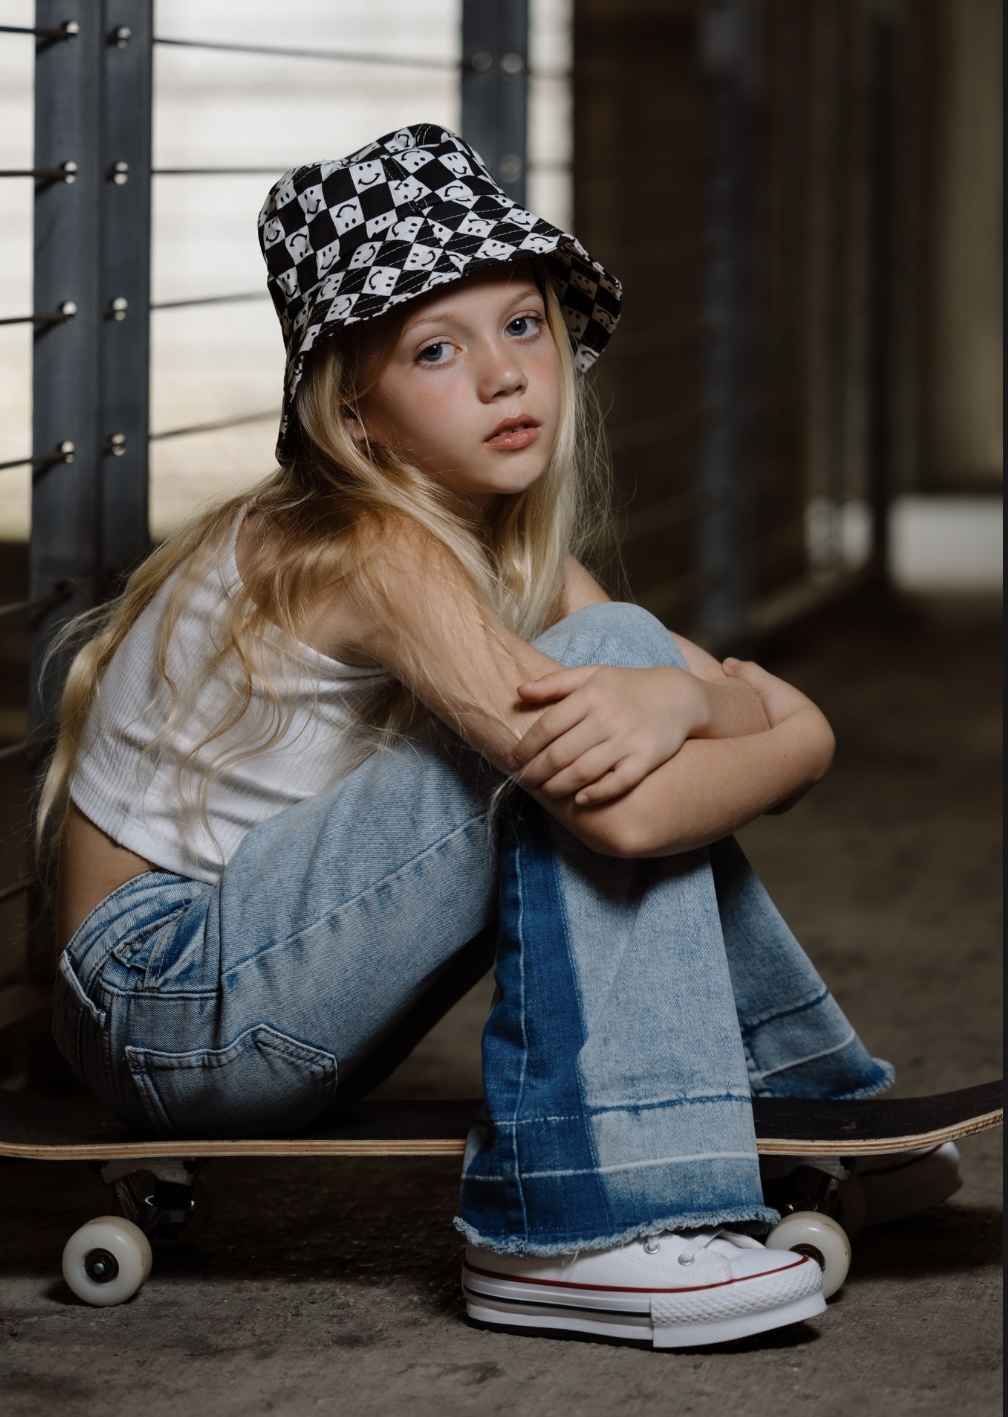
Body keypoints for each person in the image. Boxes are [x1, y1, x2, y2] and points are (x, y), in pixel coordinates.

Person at [41, 124, 960, 1348]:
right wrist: (725, 714)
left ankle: (798, 1106)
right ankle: (572, 1227)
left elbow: (771, 726)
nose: (503, 375)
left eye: (522, 324)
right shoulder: (369, 548)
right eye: (437, 348)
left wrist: (689, 705)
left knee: (616, 669)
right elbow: (648, 801)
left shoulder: (511, 554)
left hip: (255, 996)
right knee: (607, 689)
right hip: (167, 999)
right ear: (354, 411)